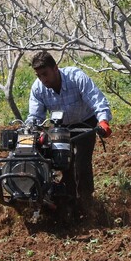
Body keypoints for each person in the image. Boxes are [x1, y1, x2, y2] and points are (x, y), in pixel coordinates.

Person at [25, 51, 112, 205]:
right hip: (61, 127)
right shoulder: (38, 88)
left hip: (84, 123)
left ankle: (86, 202)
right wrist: (30, 129)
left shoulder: (76, 77)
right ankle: (67, 200)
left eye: (45, 74)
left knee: (81, 163)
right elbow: (35, 116)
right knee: (62, 163)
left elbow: (96, 99)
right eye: (39, 76)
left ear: (55, 68)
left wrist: (103, 121)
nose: (43, 79)